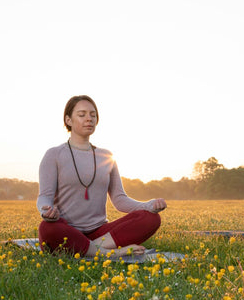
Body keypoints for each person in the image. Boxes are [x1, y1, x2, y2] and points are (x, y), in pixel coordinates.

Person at [36, 95, 166, 258]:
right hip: (66, 230)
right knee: (47, 228)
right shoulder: (54, 154)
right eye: (82, 115)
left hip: (101, 235)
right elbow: (44, 197)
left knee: (150, 219)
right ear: (68, 120)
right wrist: (46, 211)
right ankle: (108, 253)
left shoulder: (106, 156)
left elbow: (119, 200)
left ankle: (88, 249)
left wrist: (148, 205)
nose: (89, 119)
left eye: (93, 115)